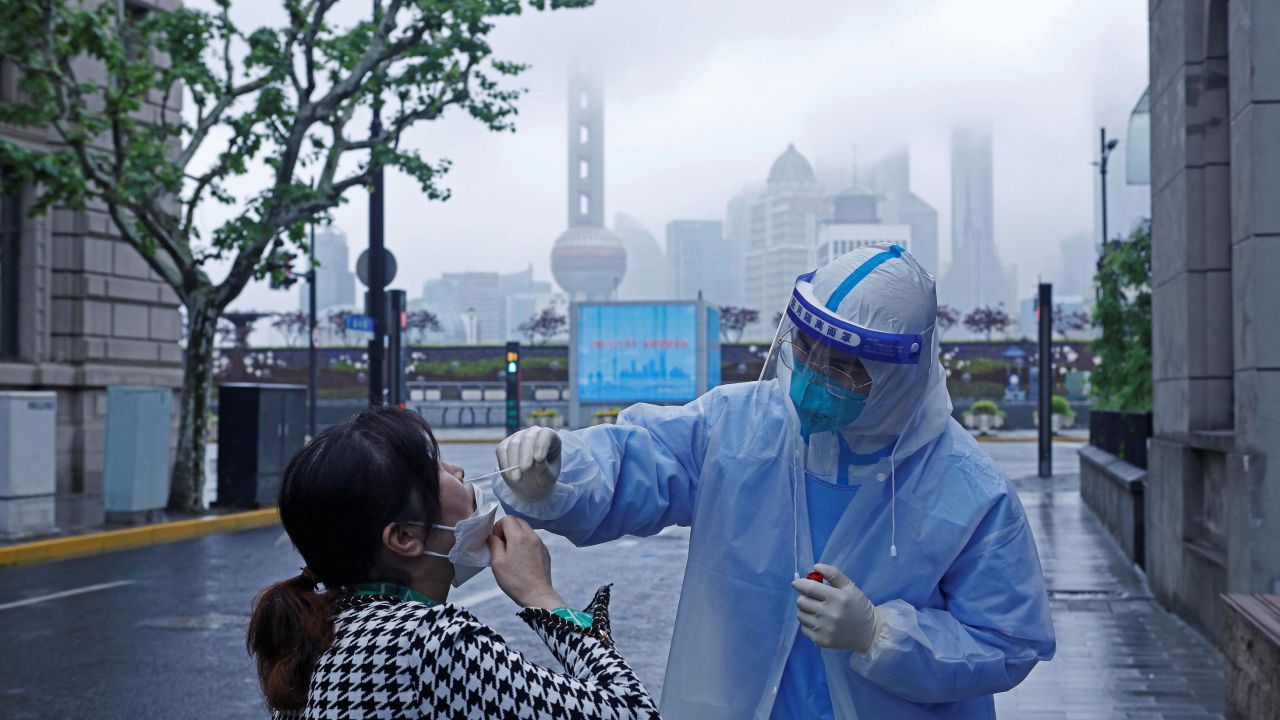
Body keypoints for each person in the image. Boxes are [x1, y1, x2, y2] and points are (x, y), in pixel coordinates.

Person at [495, 244, 1056, 718]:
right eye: (807, 350)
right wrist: (557, 470)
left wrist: (883, 636)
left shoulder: (967, 490)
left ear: (899, 377)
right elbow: (636, 459)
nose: (813, 376)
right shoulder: (738, 427)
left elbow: (1007, 640)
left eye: (842, 368)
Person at [247, 406, 659, 719]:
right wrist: (542, 596)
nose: (459, 470)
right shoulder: (423, 641)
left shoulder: (333, 628)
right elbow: (632, 713)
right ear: (405, 537)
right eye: (435, 470)